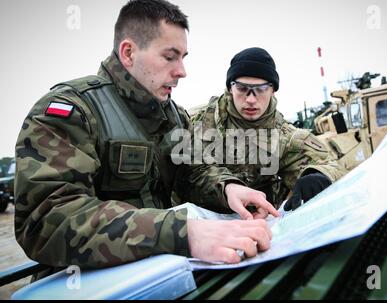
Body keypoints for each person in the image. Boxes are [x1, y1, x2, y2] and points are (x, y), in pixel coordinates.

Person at [14, 0, 279, 269]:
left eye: (183, 58)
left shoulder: (174, 117)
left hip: (165, 271)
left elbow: (194, 172)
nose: (182, 72)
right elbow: (45, 220)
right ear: (128, 53)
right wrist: (180, 233)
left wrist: (228, 189)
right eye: (169, 56)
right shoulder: (71, 112)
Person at [188, 47, 348, 214]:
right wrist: (227, 187)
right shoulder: (194, 122)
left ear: (273, 90)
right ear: (230, 88)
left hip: (259, 224)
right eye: (242, 88)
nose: (250, 99)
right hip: (198, 223)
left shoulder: (284, 136)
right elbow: (187, 172)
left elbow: (333, 167)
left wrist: (318, 176)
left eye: (261, 89)